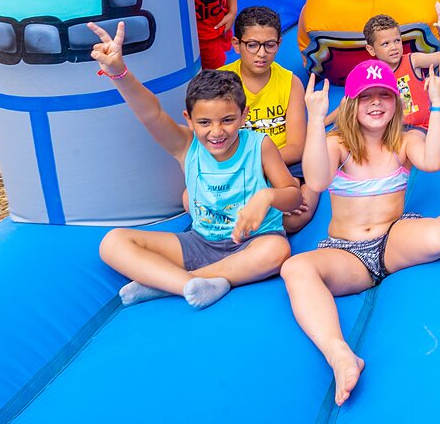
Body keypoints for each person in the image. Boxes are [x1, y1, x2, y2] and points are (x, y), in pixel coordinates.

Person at [282, 60, 440, 406]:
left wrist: (437, 101)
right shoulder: (338, 144)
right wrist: (316, 119)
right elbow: (316, 181)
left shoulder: (405, 141)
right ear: (350, 103)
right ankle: (339, 354)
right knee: (295, 268)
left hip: (392, 239)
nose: (376, 103)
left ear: (396, 102)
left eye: (384, 96)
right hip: (348, 254)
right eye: (366, 97)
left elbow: (434, 161)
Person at [93, 21, 301, 310]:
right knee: (112, 242)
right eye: (204, 122)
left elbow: (294, 196)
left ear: (244, 116)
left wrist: (267, 196)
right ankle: (188, 284)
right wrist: (118, 72)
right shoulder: (185, 145)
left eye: (228, 120)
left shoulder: (258, 145)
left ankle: (169, 284)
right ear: (189, 120)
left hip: (253, 241)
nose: (216, 132)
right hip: (201, 242)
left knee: (277, 250)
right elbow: (150, 112)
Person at [219, 5, 317, 234]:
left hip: (284, 165)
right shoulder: (222, 82)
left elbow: (296, 147)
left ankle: (259, 214)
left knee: (296, 217)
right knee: (191, 199)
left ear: (279, 44)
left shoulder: (290, 83)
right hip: (238, 168)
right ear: (237, 45)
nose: (261, 54)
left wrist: (265, 164)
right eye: (252, 45)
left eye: (269, 45)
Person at [327, 10, 440, 132]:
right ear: (371, 49)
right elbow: (347, 101)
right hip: (390, 131)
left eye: (397, 41)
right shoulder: (373, 73)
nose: (394, 47)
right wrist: (323, 122)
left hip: (418, 128)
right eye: (386, 44)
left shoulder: (412, 60)